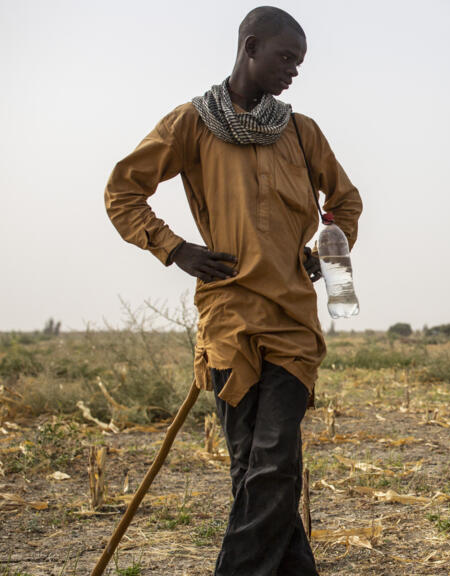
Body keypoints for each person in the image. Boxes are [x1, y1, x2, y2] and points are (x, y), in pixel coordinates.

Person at [104, 6, 361, 575]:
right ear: (250, 47)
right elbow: (123, 192)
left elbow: (345, 201)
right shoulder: (191, 124)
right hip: (228, 320)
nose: (294, 71)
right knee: (252, 469)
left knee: (273, 463)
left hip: (291, 320)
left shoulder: (301, 131)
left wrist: (325, 254)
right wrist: (176, 249)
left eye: (299, 62)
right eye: (285, 57)